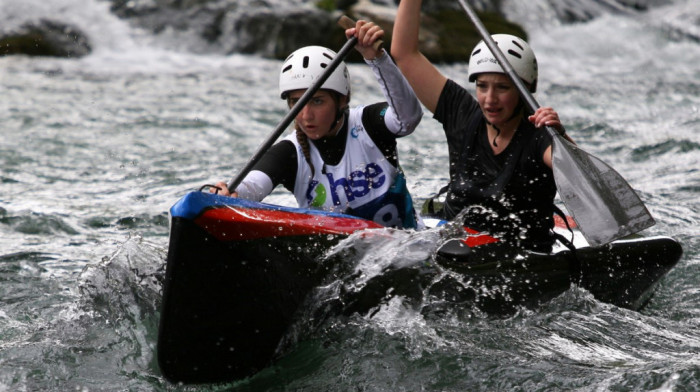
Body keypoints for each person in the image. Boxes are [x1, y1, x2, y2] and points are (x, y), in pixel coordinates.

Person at [391, 0, 576, 251]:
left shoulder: (539, 137)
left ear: (524, 90)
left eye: (502, 87)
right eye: (482, 86)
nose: (490, 99)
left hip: (518, 255)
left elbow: (584, 180)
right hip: (452, 242)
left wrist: (561, 137)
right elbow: (405, 54)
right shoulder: (462, 113)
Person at [210, 20, 423, 229]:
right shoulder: (289, 152)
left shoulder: (369, 123)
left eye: (317, 101)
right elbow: (252, 186)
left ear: (342, 100)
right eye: (296, 102)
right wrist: (231, 193)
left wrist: (377, 59)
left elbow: (408, 118)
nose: (305, 115)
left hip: (406, 245)